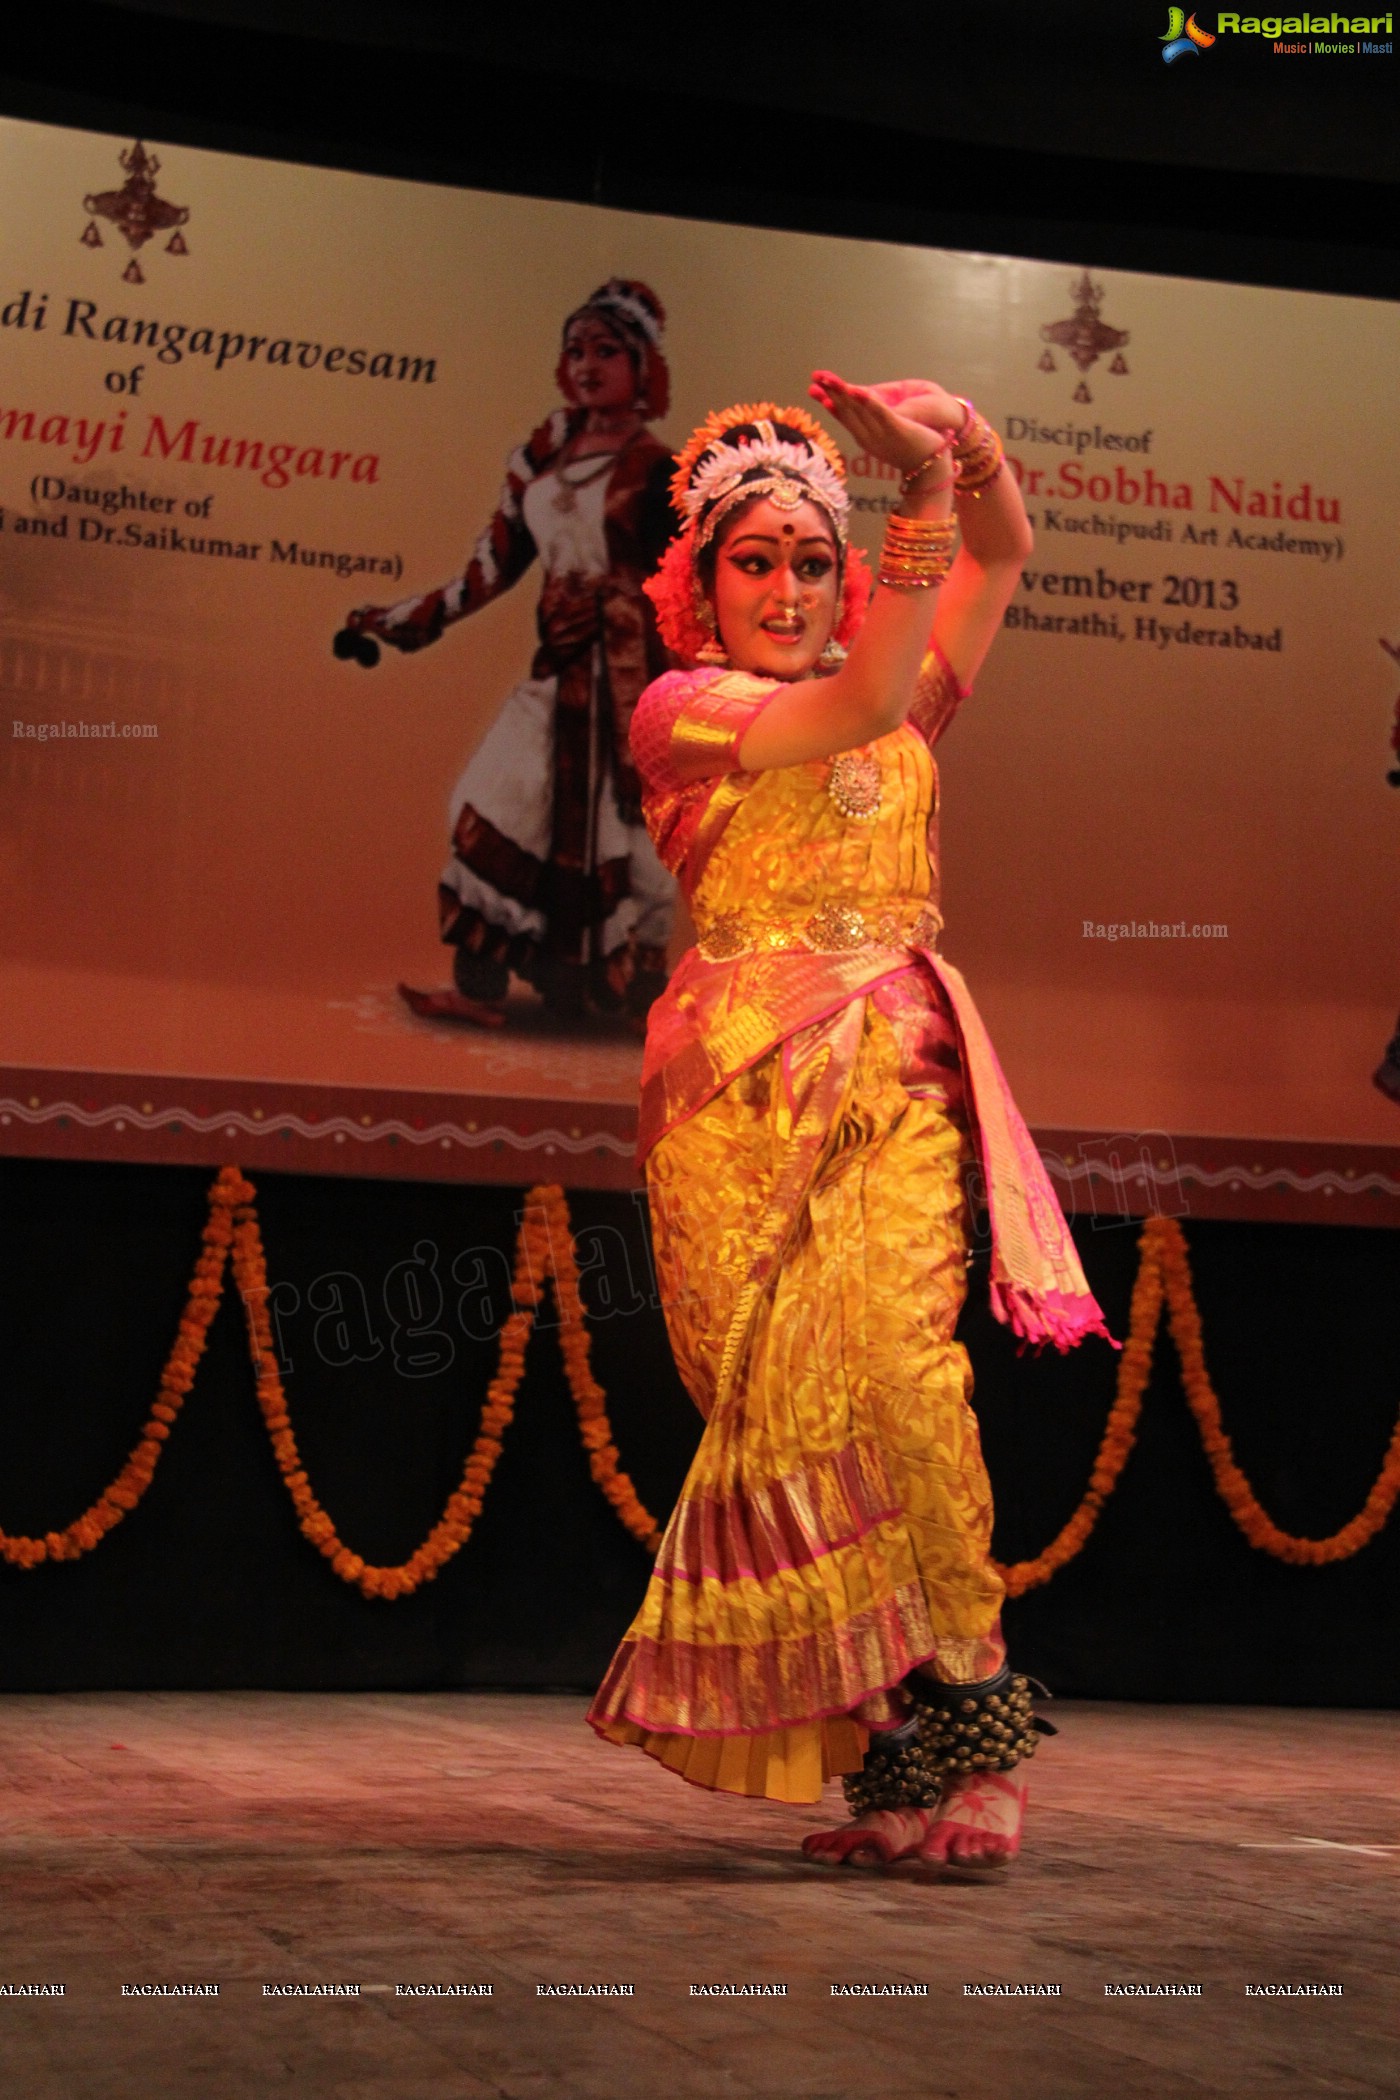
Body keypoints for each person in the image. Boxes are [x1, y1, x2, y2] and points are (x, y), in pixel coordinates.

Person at [587, 377, 1116, 1874]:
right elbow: (868, 698)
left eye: (813, 561)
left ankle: (983, 1722)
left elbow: (999, 560)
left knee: (898, 1376)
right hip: (731, 1101)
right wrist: (916, 511)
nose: (787, 587)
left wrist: (960, 449)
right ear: (701, 577)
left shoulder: (888, 672)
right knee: (778, 1419)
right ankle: (892, 1756)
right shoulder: (683, 709)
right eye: (755, 559)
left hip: (890, 1078)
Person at [344, 279, 677, 1029]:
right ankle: (480, 989)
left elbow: (685, 585)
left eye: (606, 351)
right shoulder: (542, 454)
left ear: (642, 366)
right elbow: (491, 568)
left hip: (632, 680)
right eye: (575, 351)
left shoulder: (661, 470)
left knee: (630, 835)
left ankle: (631, 1003)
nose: (587, 365)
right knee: (493, 802)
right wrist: (405, 618)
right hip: (558, 670)